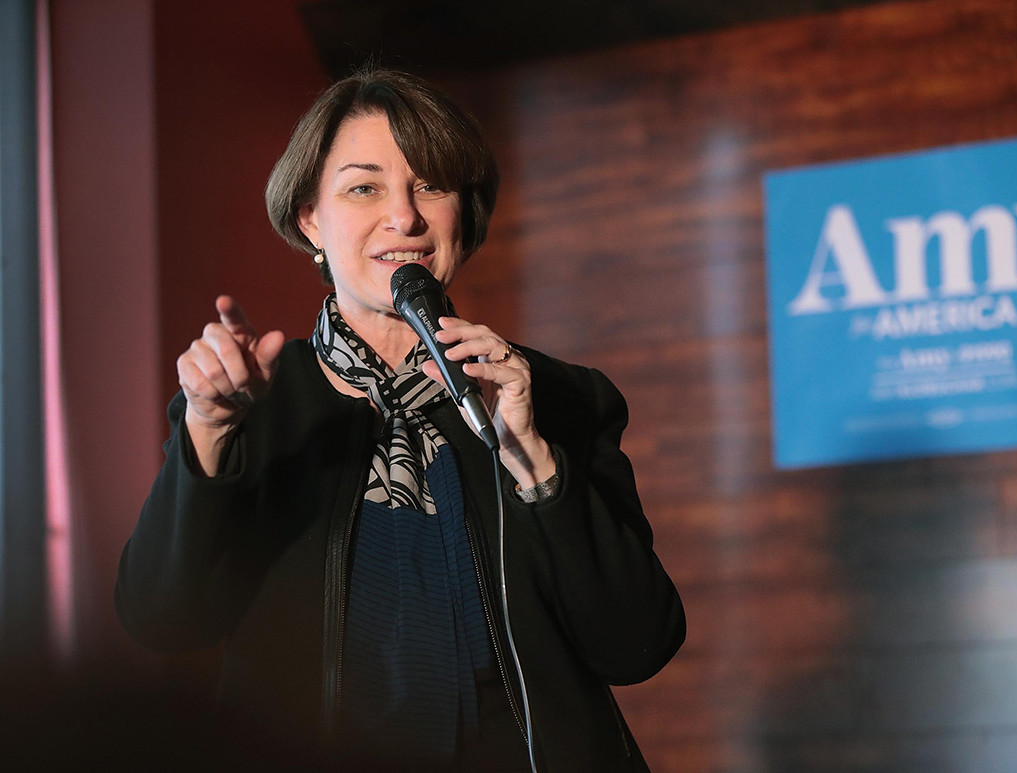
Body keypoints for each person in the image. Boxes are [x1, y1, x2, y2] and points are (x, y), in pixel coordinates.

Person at [115, 68, 685, 771]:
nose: (405, 218)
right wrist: (209, 431)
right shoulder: (250, 402)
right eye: (364, 187)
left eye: (431, 186)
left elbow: (637, 645)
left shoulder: (559, 399)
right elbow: (163, 620)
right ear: (310, 219)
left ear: (463, 217)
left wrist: (535, 459)